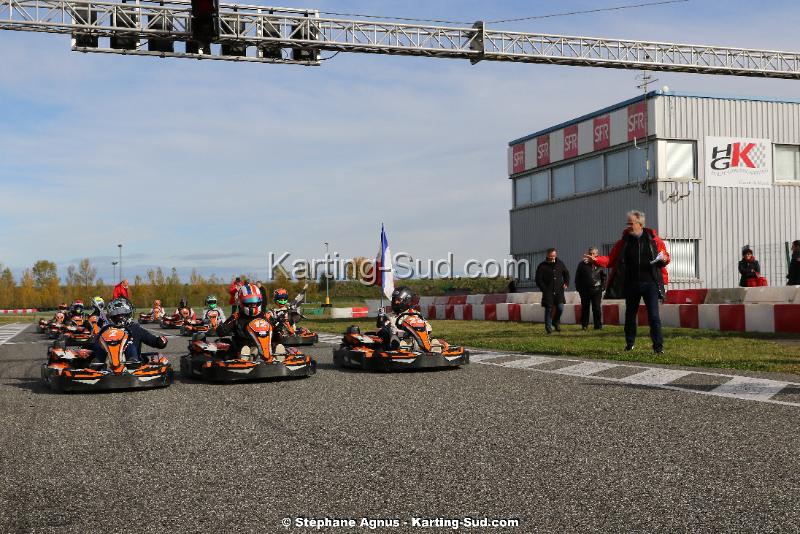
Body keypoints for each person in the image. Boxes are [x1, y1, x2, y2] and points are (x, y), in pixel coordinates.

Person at [585, 210, 670, 354]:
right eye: (628, 223)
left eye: (631, 223)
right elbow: (611, 260)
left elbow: (666, 257)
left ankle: (658, 347)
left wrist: (664, 259)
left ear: (640, 224)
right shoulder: (623, 242)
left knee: (654, 316)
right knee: (630, 315)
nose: (628, 226)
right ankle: (629, 344)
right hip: (631, 284)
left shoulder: (654, 240)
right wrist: (597, 260)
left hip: (651, 284)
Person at [95, 298, 167, 363]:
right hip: (108, 362)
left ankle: (132, 361)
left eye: (122, 314)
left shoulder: (134, 329)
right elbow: (95, 343)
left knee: (130, 345)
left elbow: (152, 340)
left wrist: (160, 341)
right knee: (99, 347)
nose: (120, 317)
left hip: (131, 364)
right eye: (117, 315)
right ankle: (97, 363)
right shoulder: (106, 329)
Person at [375, 286, 440, 351]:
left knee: (435, 342)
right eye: (394, 299)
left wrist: (414, 331)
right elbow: (381, 331)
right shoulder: (388, 316)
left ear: (407, 301)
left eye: (399, 300)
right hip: (400, 342)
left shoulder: (415, 314)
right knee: (402, 345)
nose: (396, 302)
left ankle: (437, 357)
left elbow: (428, 328)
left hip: (418, 341)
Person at [216, 283, 273, 356]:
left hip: (266, 347)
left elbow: (277, 332)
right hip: (242, 349)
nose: (253, 304)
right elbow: (221, 332)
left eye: (255, 302)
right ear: (241, 302)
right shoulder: (236, 317)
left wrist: (280, 326)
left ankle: (277, 355)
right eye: (249, 302)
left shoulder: (266, 316)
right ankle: (248, 356)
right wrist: (222, 329)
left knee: (278, 342)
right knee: (225, 344)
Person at [534, 248, 570, 334]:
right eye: (551, 256)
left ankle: (555, 322)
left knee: (560, 308)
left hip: (559, 291)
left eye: (554, 256)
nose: (553, 258)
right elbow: (538, 279)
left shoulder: (560, 263)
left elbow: (566, 273)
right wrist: (544, 289)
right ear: (547, 255)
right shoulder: (542, 266)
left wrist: (566, 283)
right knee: (549, 309)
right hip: (548, 291)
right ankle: (548, 327)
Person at [575, 247, 607, 330]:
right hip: (584, 290)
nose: (591, 255)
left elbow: (604, 277)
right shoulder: (582, 264)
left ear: (597, 254)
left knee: (596, 308)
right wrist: (578, 288)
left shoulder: (600, 264)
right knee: (585, 308)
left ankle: (598, 326)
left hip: (596, 290)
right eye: (590, 253)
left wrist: (603, 286)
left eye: (593, 253)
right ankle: (584, 325)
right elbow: (577, 277)